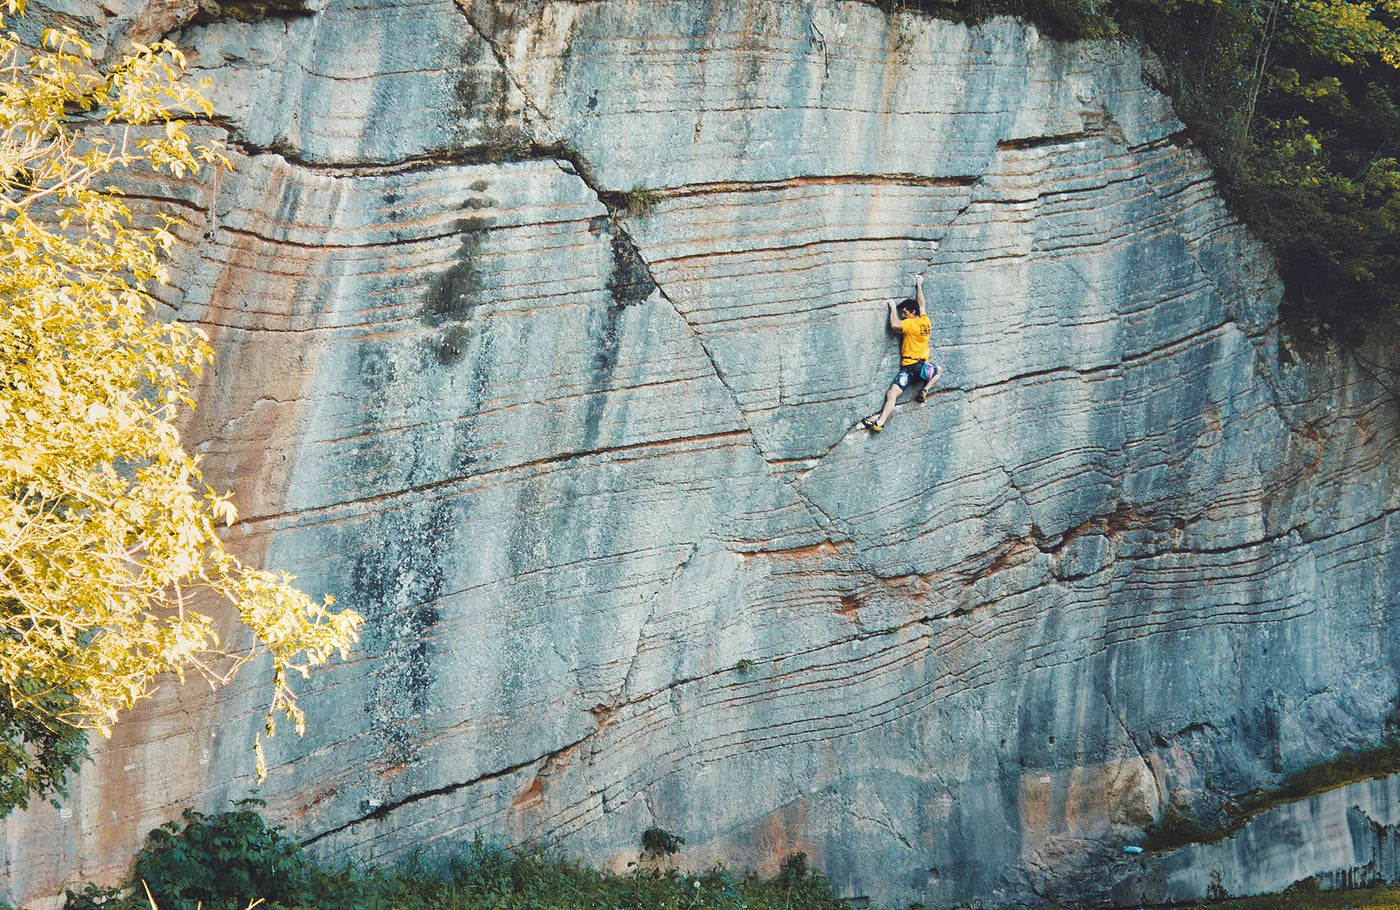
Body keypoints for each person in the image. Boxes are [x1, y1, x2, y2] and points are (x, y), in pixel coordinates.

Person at [864, 274, 942, 432]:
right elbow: (922, 304)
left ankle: (880, 422)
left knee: (892, 394)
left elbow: (894, 324)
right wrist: (919, 285)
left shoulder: (910, 324)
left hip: (908, 368)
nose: (903, 316)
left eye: (904, 313)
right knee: (938, 370)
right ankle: (925, 389)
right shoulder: (925, 321)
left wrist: (892, 308)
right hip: (921, 369)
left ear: (912, 313)